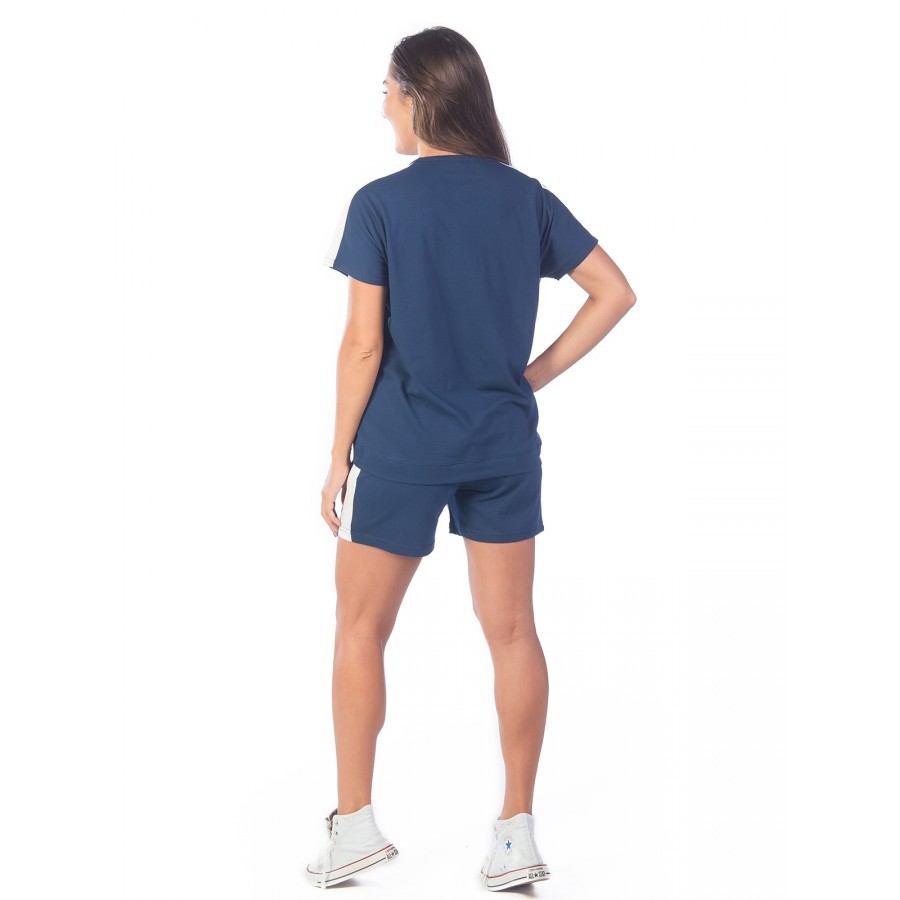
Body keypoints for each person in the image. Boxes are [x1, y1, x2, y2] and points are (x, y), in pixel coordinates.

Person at [306, 26, 636, 892]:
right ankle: (516, 834)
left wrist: (337, 457)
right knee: (514, 631)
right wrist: (530, 378)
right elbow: (614, 292)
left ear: (420, 96)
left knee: (360, 628)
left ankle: (354, 827)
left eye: (388, 90)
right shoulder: (525, 198)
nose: (382, 105)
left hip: (402, 448)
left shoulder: (380, 204)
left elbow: (362, 347)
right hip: (502, 445)